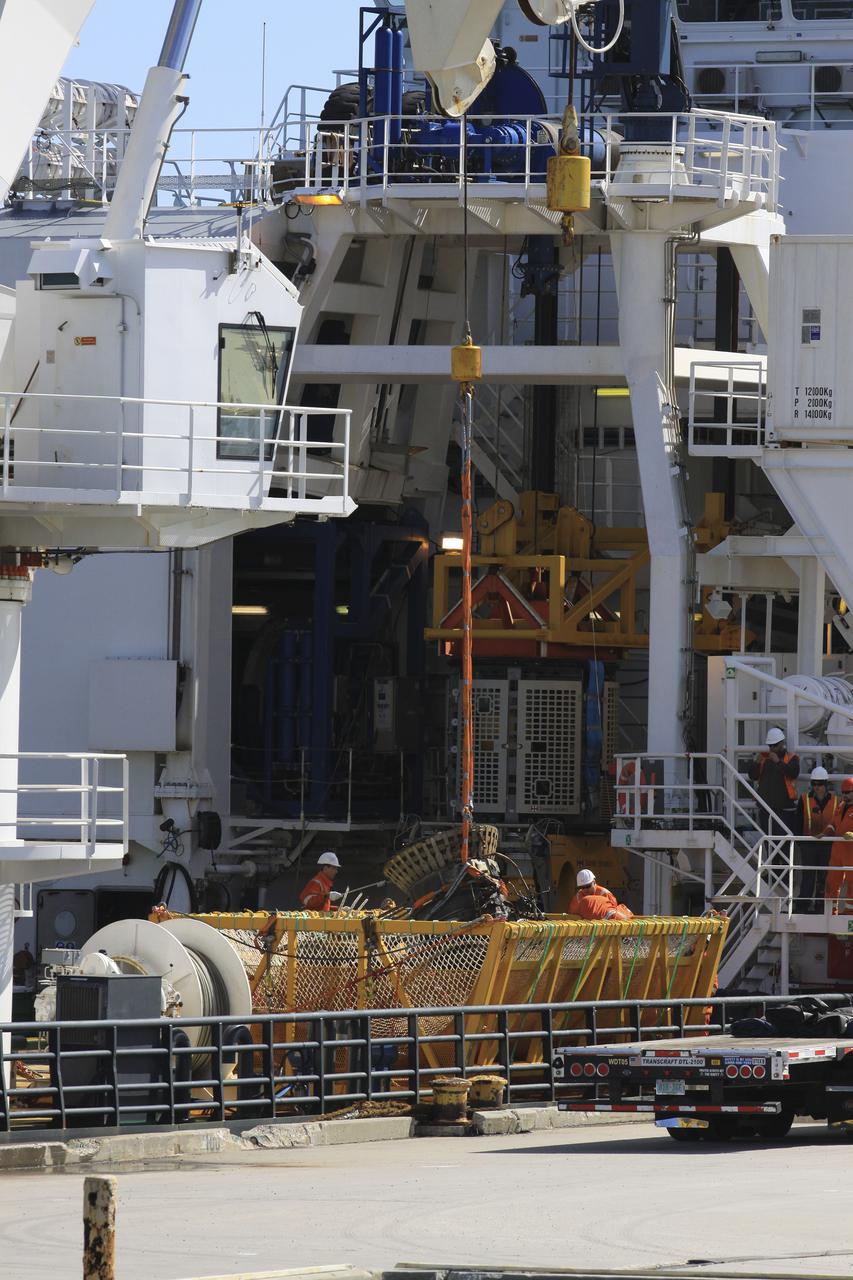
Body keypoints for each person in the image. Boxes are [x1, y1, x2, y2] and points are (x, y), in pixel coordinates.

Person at [796, 766, 840, 912]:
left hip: (828, 845)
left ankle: (820, 907)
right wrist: (800, 843)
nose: (817, 787)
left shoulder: (836, 801)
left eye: (820, 784)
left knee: (824, 878)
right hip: (809, 845)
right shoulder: (804, 800)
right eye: (814, 784)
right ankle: (802, 906)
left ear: (826, 784)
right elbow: (798, 821)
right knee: (808, 877)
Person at [748, 727, 800, 838]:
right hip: (765, 809)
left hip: (784, 811)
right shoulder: (764, 759)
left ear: (782, 744)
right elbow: (752, 776)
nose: (772, 749)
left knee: (783, 843)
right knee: (768, 842)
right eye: (770, 746)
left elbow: (793, 773)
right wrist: (756, 763)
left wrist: (778, 762)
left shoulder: (792, 758)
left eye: (774, 745)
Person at [826, 778, 853, 912]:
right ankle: (830, 922)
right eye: (843, 792)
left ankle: (849, 925)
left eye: (848, 792)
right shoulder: (841, 806)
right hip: (837, 852)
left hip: (851, 853)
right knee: (831, 885)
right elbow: (833, 823)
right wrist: (826, 832)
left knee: (852, 888)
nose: (845, 795)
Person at [568, 868, 634, 921]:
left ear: (594, 882)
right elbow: (573, 915)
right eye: (582, 887)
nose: (585, 890)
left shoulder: (605, 894)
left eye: (588, 886)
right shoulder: (578, 897)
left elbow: (613, 912)